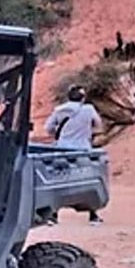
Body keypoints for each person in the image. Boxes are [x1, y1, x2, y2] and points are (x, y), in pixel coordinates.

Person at [44, 85, 105, 224]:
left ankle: (53, 215)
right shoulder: (88, 109)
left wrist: (61, 135)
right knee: (88, 180)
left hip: (62, 149)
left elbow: (48, 128)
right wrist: (88, 133)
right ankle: (93, 215)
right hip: (83, 149)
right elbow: (99, 126)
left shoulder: (59, 110)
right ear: (83, 98)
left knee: (59, 181)